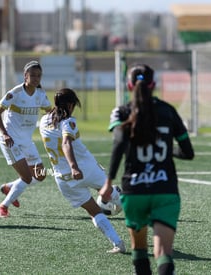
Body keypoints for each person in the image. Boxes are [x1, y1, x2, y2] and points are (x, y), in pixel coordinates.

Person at [100, 64, 194, 274]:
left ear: (129, 85)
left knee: (140, 251)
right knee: (163, 253)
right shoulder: (168, 111)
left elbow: (119, 143)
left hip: (135, 190)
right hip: (165, 189)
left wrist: (108, 181)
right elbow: (188, 152)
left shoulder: (121, 111)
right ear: (154, 85)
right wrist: (169, 150)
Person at [39, 88, 126, 254]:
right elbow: (66, 143)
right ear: (71, 104)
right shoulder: (68, 121)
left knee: (94, 212)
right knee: (111, 193)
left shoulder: (43, 121)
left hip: (64, 179)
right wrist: (74, 165)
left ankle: (117, 242)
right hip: (85, 169)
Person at [0, 60, 52, 218]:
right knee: (26, 177)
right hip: (10, 141)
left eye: (38, 76)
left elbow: (50, 111)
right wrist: (5, 134)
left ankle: (9, 187)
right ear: (25, 76)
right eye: (32, 75)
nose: (36, 78)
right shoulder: (16, 93)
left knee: (40, 175)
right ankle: (3, 206)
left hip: (26, 141)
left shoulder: (40, 95)